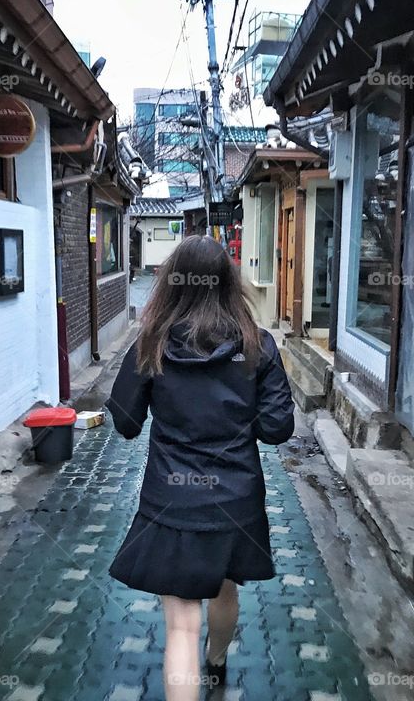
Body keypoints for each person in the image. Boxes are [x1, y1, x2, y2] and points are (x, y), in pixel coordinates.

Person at [106, 235, 295, 701]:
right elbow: (277, 429)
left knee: (181, 625)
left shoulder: (150, 343)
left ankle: (201, 661)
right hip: (237, 500)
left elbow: (126, 423)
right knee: (226, 587)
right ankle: (217, 663)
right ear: (229, 284)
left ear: (171, 283)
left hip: (173, 500)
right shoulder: (258, 346)